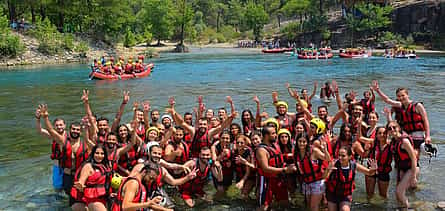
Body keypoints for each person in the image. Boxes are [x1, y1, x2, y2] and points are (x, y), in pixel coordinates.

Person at [39, 104, 93, 206]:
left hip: (79, 176)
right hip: (67, 175)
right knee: (70, 199)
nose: (75, 131)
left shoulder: (85, 144)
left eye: (77, 129)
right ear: (69, 130)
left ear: (80, 132)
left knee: (81, 199)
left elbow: (93, 132)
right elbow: (51, 131)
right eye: (73, 129)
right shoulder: (63, 142)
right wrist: (45, 118)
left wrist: (87, 124)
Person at [256, 126, 296, 211]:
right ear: (266, 136)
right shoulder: (261, 150)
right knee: (264, 207)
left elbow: (278, 158)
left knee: (285, 203)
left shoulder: (275, 145)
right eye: (273, 133)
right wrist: (285, 169)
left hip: (279, 179)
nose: (276, 135)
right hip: (267, 181)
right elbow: (265, 168)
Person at [325, 146, 377, 211]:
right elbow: (324, 178)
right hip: (332, 194)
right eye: (339, 155)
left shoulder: (354, 165)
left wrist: (373, 169)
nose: (340, 158)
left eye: (343, 156)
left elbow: (369, 173)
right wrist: (327, 170)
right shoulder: (334, 164)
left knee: (345, 210)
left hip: (345, 195)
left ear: (349, 157)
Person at [294, 133, 330, 211]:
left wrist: (325, 149)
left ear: (307, 142)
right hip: (306, 183)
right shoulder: (296, 153)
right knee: (308, 206)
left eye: (304, 141)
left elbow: (327, 159)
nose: (302, 144)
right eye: (300, 141)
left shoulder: (313, 151)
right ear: (297, 142)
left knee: (313, 207)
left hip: (317, 182)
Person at [70, 144, 112, 211]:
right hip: (92, 199)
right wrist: (80, 185)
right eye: (97, 153)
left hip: (104, 198)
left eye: (102, 154)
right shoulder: (88, 166)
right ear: (93, 154)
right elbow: (81, 181)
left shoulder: (106, 166)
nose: (99, 156)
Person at [35, 107, 66, 192]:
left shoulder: (70, 136)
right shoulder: (53, 136)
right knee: (57, 189)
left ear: (65, 125)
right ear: (54, 127)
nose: (59, 127)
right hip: (57, 167)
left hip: (67, 167)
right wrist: (38, 118)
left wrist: (46, 118)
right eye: (57, 125)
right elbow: (40, 130)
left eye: (61, 125)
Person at [387, 121, 417, 209]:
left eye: (394, 127)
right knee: (398, 196)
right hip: (402, 169)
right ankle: (405, 207)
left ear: (399, 128)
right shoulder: (394, 141)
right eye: (389, 128)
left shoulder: (404, 141)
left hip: (411, 168)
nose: (392, 130)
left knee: (399, 192)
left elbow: (414, 158)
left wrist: (413, 176)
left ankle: (408, 208)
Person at [365, 126, 392, 199]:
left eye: (384, 133)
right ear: (376, 135)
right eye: (380, 133)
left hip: (384, 172)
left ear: (388, 134)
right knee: (369, 195)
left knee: (383, 196)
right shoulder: (373, 144)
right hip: (371, 170)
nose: (382, 135)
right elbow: (360, 138)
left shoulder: (391, 146)